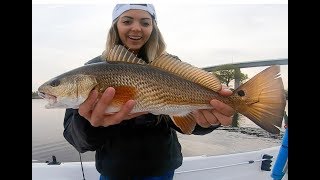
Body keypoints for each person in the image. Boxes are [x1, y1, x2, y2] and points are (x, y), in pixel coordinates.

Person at [63, 4, 235, 180]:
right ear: (116, 25)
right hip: (115, 171)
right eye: (127, 21)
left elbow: (188, 122)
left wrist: (210, 119)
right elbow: (75, 137)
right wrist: (87, 123)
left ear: (153, 28)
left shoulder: (169, 66)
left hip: (162, 168)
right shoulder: (91, 70)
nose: (136, 28)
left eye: (145, 23)